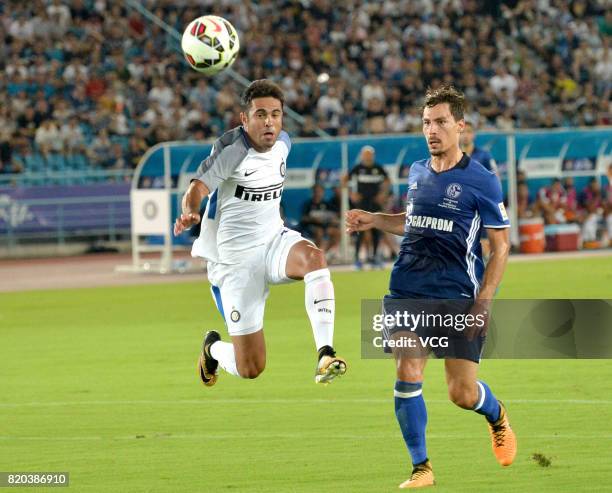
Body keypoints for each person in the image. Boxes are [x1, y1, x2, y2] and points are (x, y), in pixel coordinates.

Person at [346, 86, 516, 488]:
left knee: (461, 392)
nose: (432, 130)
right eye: (426, 123)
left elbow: (501, 245)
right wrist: (374, 219)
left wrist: (485, 299)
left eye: (440, 122)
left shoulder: (482, 181)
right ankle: (421, 467)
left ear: (460, 126)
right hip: (407, 287)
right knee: (408, 366)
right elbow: (413, 219)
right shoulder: (416, 171)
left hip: (457, 294)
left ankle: (496, 414)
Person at [174, 79, 346, 386]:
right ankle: (211, 349)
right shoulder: (231, 150)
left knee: (314, 259)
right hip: (235, 262)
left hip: (273, 242)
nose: (269, 122)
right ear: (244, 118)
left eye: (276, 114)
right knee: (251, 367)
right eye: (261, 114)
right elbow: (196, 187)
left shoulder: (284, 143)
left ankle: (326, 354)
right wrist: (190, 210)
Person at [343, 145, 390, 269]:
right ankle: (357, 259)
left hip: (375, 203)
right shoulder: (358, 168)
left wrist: (383, 194)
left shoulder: (378, 168)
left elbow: (387, 181)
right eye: (365, 154)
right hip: (362, 204)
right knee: (359, 230)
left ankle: (375, 258)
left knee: (376, 229)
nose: (368, 157)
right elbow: (344, 180)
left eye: (370, 154)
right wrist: (351, 193)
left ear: (373, 155)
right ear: (362, 156)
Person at [460, 119, 499, 258]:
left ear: (474, 135)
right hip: (460, 207)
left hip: (480, 206)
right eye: (462, 132)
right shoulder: (453, 155)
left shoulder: (484, 155)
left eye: (469, 132)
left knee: (483, 245)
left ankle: (487, 277)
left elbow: (495, 178)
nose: (465, 135)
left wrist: (494, 201)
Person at [300, 183, 340, 254]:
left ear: (323, 192)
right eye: (316, 191)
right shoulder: (308, 204)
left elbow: (334, 216)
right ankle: (315, 253)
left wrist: (332, 220)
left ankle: (324, 253)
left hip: (325, 226)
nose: (318, 193)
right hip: (311, 226)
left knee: (337, 233)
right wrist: (313, 219)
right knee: (319, 232)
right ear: (313, 192)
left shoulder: (327, 204)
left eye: (320, 191)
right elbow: (303, 218)